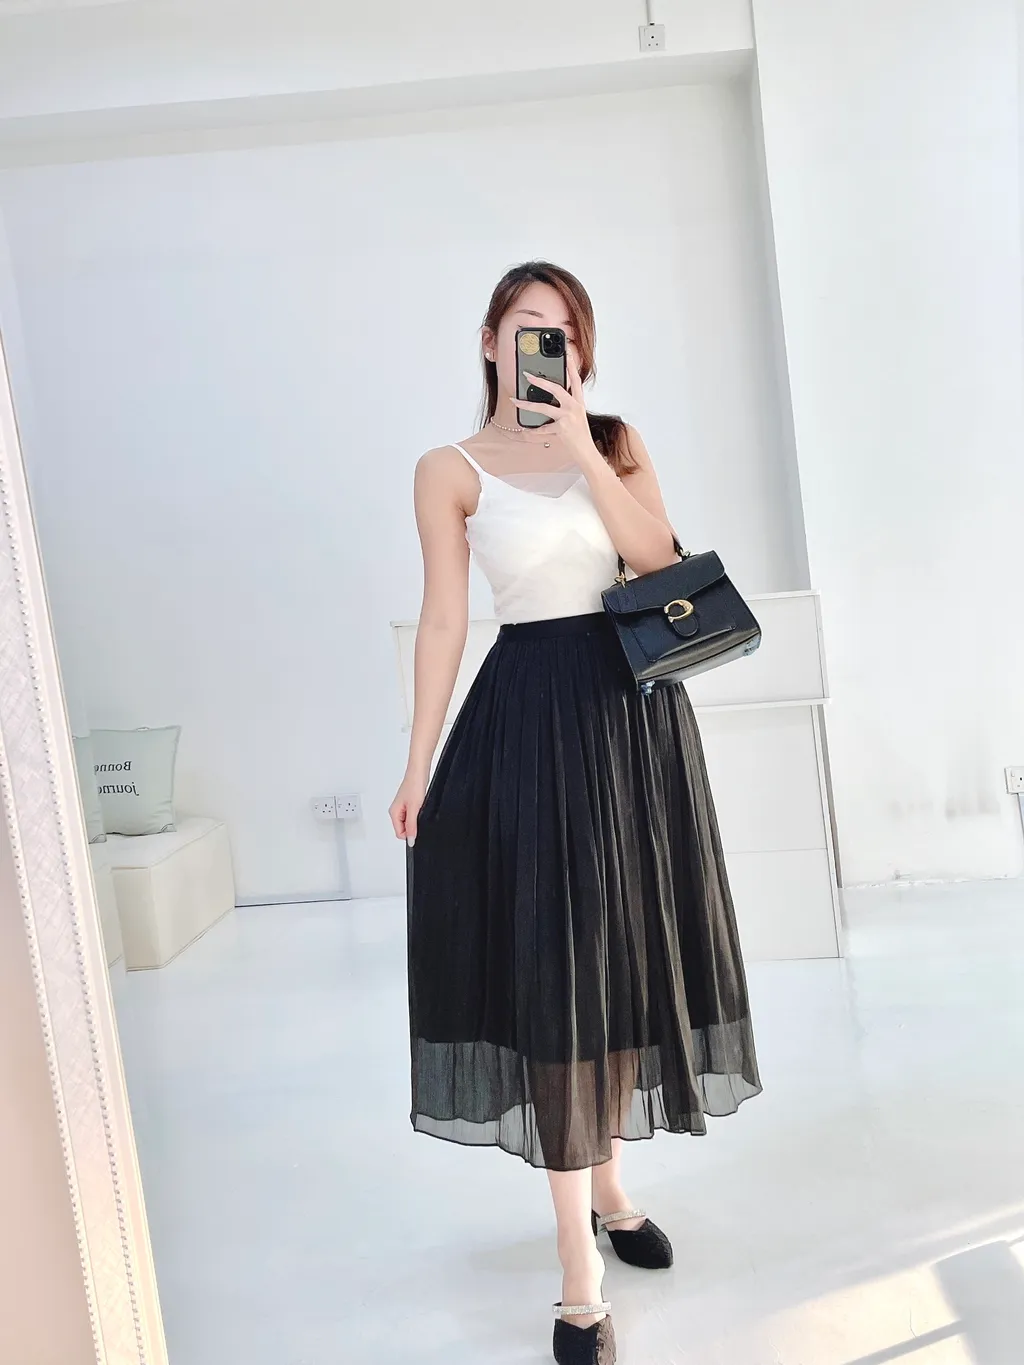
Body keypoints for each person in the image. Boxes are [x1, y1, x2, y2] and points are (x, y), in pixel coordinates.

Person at [390, 261, 761, 1365]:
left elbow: (659, 561)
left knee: (623, 965)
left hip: (632, 724)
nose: (542, 346)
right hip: (528, 726)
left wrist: (583, 456)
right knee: (557, 980)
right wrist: (415, 764)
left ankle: (609, 1187)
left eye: (561, 332)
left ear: (581, 352)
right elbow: (444, 621)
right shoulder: (448, 468)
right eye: (525, 329)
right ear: (490, 342)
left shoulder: (617, 443)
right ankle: (576, 1267)